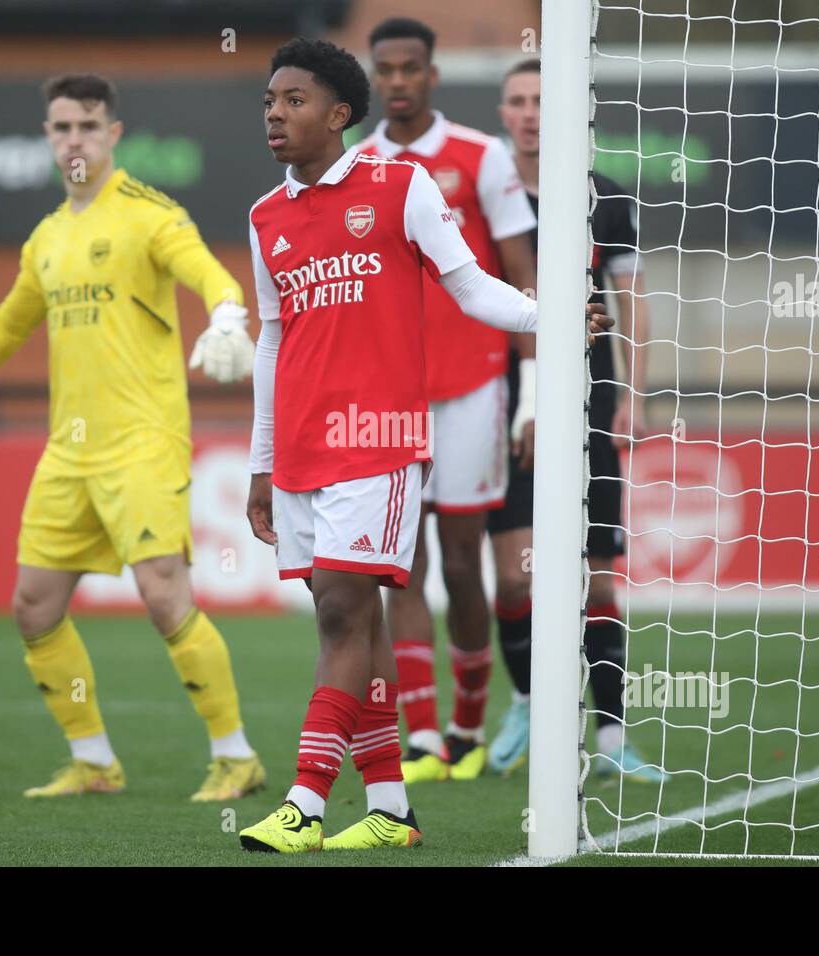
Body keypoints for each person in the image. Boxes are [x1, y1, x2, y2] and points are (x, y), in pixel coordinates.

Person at [238, 38, 602, 853]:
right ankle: (393, 805)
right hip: (299, 448)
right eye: (268, 100)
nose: (274, 113)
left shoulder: (398, 187)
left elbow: (471, 285)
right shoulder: (265, 217)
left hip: (381, 439)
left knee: (341, 607)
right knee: (352, 618)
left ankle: (303, 800)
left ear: (339, 115)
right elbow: (271, 342)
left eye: (293, 100)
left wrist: (555, 316)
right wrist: (263, 462)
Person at [0, 73, 267, 802]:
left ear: (114, 134)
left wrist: (227, 319)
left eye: (88, 126)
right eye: (61, 128)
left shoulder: (151, 214)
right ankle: (95, 762)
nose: (75, 140)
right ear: (48, 138)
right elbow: (3, 332)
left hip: (144, 440)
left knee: (163, 597)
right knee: (33, 606)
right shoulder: (48, 239)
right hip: (69, 451)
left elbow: (212, 276)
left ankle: (236, 755)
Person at [355, 17, 539, 783]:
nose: (397, 81)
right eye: (385, 69)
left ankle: (467, 724)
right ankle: (425, 734)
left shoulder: (481, 155)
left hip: (472, 390)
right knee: (399, 565)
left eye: (411, 68)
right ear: (373, 77)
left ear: (432, 75)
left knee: (465, 564)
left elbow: (521, 274)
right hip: (387, 395)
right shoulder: (354, 166)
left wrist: (531, 393)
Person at [487, 58, 661, 782]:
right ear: (503, 113)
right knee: (514, 575)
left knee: (598, 576)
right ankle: (528, 700)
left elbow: (634, 300)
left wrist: (636, 394)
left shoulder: (605, 199)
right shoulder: (482, 200)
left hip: (589, 398)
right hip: (498, 398)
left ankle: (613, 737)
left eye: (541, 100)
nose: (530, 113)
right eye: (517, 101)